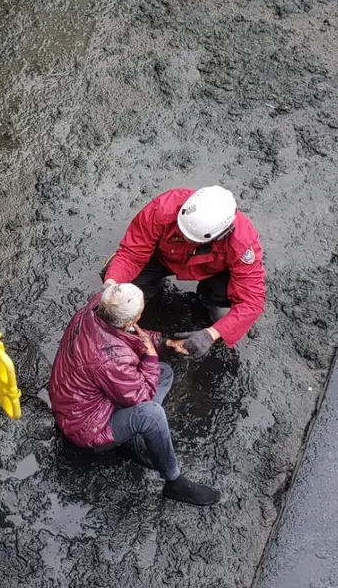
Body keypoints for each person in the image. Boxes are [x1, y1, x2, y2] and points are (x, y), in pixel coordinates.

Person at [49, 283, 221, 506]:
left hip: (71, 396)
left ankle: (134, 433)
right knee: (151, 414)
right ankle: (174, 481)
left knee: (164, 372)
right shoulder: (111, 359)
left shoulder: (94, 309)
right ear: (130, 320)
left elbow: (129, 335)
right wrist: (150, 356)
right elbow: (142, 397)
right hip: (85, 426)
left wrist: (162, 343)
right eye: (140, 312)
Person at [104, 186, 265, 357]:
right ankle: (151, 287)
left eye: (191, 238)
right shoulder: (162, 208)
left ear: (221, 234)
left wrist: (211, 334)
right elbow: (131, 254)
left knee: (224, 315)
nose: (185, 238)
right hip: (163, 258)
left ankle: (209, 300)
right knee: (118, 290)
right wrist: (110, 284)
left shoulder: (242, 242)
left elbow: (251, 302)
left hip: (213, 272)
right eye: (182, 233)